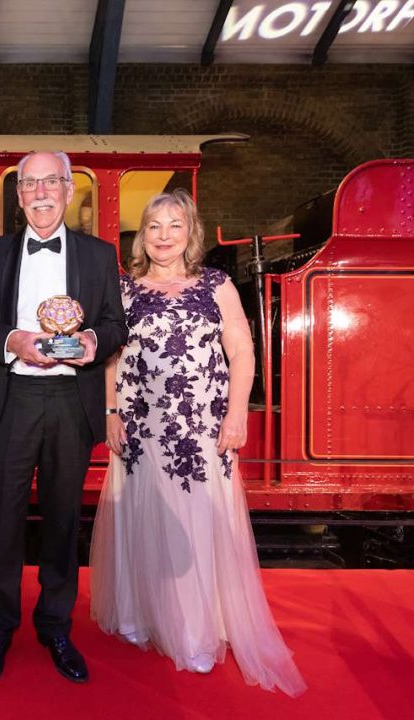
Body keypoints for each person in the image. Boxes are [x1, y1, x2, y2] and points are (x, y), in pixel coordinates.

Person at [89, 189, 306, 696]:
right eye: (154, 226)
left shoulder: (217, 284)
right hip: (141, 428)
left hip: (200, 428)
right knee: (144, 516)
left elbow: (242, 352)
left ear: (191, 233)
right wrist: (110, 413)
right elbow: (111, 360)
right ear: (142, 235)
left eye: (174, 225)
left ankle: (194, 631)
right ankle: (142, 614)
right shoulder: (123, 289)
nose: (164, 236)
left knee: (196, 520)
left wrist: (236, 415)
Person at [0, 151, 127, 685]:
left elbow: (114, 324)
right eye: (28, 184)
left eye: (50, 182)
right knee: (2, 521)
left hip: (69, 403)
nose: (40, 194)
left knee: (61, 521)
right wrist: (13, 340)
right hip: (12, 402)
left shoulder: (100, 256)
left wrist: (91, 342)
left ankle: (56, 624)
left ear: (68, 188)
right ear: (18, 195)